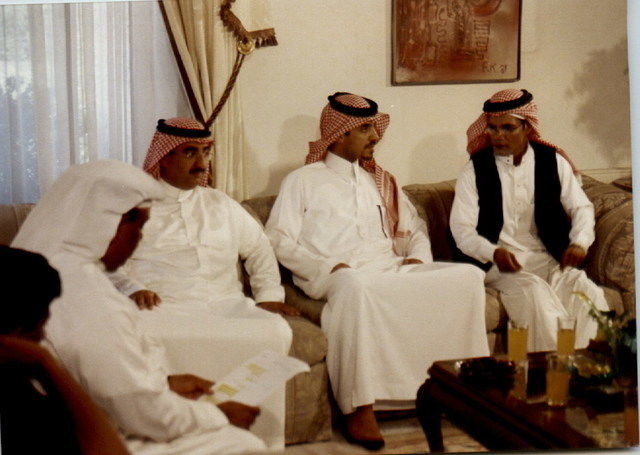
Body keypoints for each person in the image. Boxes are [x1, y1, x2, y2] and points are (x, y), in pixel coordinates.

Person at [265, 92, 489, 450]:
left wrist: (417, 258)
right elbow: (278, 238)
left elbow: (414, 230)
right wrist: (327, 266)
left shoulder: (380, 180)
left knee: (470, 277)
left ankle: (461, 391)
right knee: (355, 287)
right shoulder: (302, 181)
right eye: (366, 129)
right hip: (338, 276)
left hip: (390, 268)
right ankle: (360, 407)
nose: (375, 136)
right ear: (340, 134)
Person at [12, 160, 266, 455]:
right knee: (244, 444)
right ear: (107, 223)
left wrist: (165, 384)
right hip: (89, 437)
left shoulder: (45, 265)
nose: (140, 237)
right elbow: (142, 412)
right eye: (138, 226)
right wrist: (218, 415)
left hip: (73, 421)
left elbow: (100, 379)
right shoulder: (87, 294)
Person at [108, 118, 296, 448]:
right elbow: (106, 260)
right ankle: (178, 441)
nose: (201, 162)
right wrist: (132, 288)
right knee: (147, 334)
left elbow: (259, 249)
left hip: (226, 305)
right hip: (164, 307)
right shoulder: (135, 207)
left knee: (274, 330)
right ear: (164, 157)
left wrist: (268, 295)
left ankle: (259, 442)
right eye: (189, 152)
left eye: (206, 152)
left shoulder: (221, 203)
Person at [450, 88, 609, 352]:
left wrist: (580, 242)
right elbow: (462, 230)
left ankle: (587, 368)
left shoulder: (552, 162)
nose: (498, 136)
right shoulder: (475, 169)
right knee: (534, 292)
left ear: (526, 127)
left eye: (508, 128)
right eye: (493, 128)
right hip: (498, 265)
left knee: (589, 294)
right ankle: (553, 369)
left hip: (548, 259)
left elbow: (581, 207)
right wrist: (493, 252)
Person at [0, 245, 130, 455]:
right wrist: (46, 363)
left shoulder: (15, 382)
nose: (42, 337)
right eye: (40, 327)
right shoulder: (18, 396)